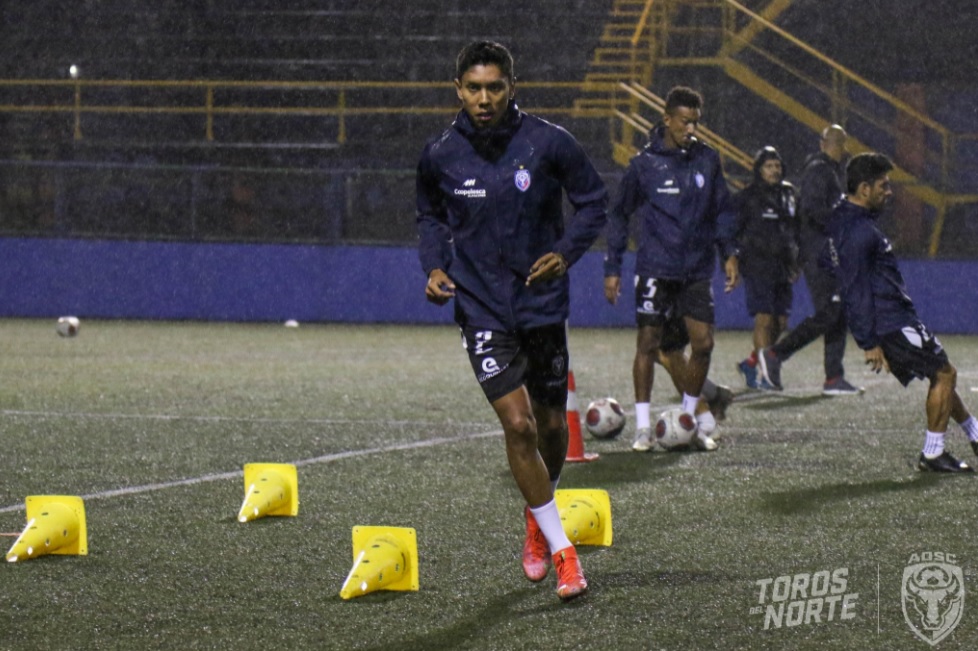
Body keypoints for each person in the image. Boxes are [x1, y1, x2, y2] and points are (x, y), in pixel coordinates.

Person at [416, 41, 607, 601]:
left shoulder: (548, 143)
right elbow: (429, 214)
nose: (483, 98)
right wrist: (432, 265)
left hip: (542, 306)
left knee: (551, 430)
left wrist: (567, 251)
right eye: (473, 88)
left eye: (493, 88)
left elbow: (593, 202)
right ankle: (564, 553)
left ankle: (537, 513)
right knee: (519, 426)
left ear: (511, 87)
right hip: (480, 308)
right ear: (458, 89)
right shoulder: (440, 154)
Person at [603, 85, 740, 453]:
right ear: (667, 119)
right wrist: (612, 265)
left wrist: (729, 251)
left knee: (703, 344)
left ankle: (687, 419)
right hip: (655, 269)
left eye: (696, 122)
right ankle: (644, 428)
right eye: (684, 122)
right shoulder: (643, 164)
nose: (691, 129)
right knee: (648, 345)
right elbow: (618, 213)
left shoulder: (707, 160)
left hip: (696, 269)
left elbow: (723, 209)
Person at [825, 152, 978, 472]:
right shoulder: (859, 232)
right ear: (864, 189)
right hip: (891, 320)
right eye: (884, 185)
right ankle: (933, 454)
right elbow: (855, 289)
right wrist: (868, 341)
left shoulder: (846, 218)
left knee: (941, 371)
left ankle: (974, 434)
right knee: (944, 374)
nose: (889, 191)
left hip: (891, 318)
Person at [751, 125, 863, 396]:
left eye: (841, 143)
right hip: (819, 254)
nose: (839, 148)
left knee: (838, 313)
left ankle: (834, 378)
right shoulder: (819, 170)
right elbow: (811, 211)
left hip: (827, 253)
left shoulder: (831, 171)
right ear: (823, 143)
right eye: (835, 142)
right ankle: (776, 354)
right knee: (831, 313)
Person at [733, 146, 800, 390]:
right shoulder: (747, 197)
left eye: (777, 166)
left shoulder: (789, 194)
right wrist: (733, 260)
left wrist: (796, 260)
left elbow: (795, 229)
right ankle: (765, 375)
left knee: (780, 323)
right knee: (764, 318)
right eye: (769, 166)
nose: (774, 171)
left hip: (782, 266)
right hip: (757, 264)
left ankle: (752, 363)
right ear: (759, 170)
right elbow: (733, 230)